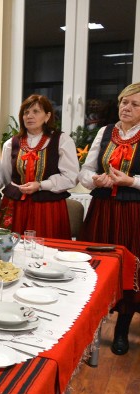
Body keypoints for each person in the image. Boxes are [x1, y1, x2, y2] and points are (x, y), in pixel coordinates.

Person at [79, 82, 140, 355]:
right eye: (124, 102)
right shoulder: (105, 132)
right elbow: (85, 171)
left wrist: (131, 181)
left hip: (133, 211)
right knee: (95, 267)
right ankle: (88, 329)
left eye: (135, 104)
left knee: (129, 268)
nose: (126, 108)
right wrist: (94, 179)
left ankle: (121, 329)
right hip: (102, 208)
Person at [0, 94, 79, 238]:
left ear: (47, 116)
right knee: (12, 250)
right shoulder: (11, 144)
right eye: (26, 112)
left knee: (46, 250)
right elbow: (6, 177)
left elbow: (71, 177)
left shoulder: (62, 141)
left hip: (47, 207)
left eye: (36, 112)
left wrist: (41, 185)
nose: (29, 116)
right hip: (17, 206)